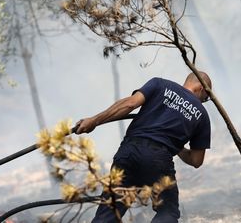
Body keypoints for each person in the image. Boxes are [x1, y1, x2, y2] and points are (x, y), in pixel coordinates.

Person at [75, 72, 212, 223]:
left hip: (128, 153)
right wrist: (174, 142)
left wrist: (94, 120)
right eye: (206, 98)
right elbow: (196, 160)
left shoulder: (159, 84)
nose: (203, 101)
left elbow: (130, 104)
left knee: (109, 212)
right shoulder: (202, 115)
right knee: (167, 212)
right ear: (201, 88)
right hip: (158, 160)